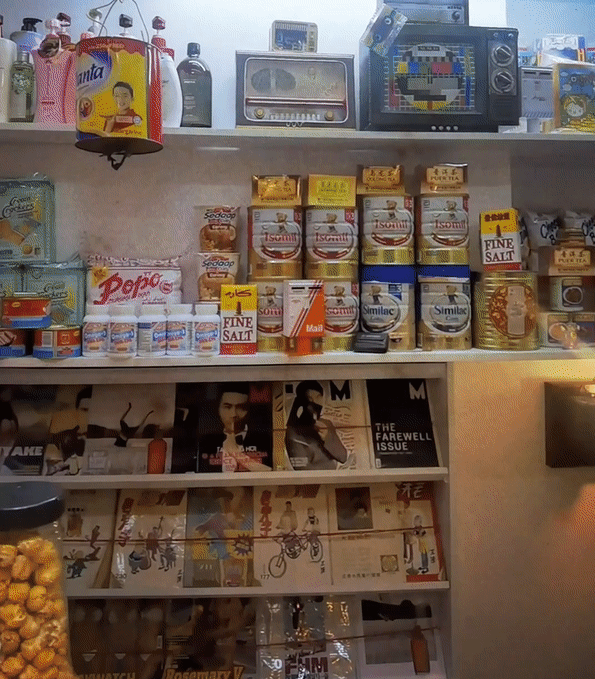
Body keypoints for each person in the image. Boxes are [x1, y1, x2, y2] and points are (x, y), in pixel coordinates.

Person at [198, 383, 272, 472]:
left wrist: (235, 453)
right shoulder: (207, 442)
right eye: (227, 407)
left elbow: (271, 474)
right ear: (218, 409)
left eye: (240, 408)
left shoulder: (264, 439)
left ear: (248, 410)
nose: (234, 414)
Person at [285, 380, 348, 470]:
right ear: (302, 401)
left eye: (318, 397)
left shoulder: (326, 424)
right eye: (309, 398)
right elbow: (302, 469)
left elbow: (343, 457)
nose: (314, 402)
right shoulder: (293, 432)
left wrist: (327, 437)